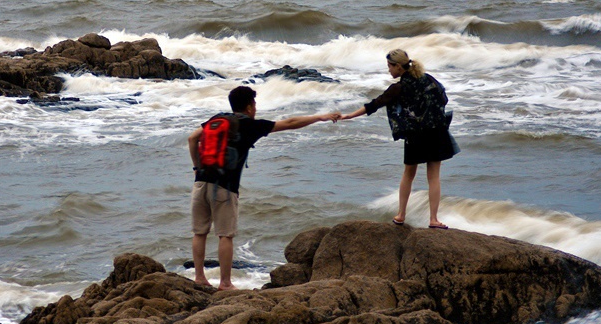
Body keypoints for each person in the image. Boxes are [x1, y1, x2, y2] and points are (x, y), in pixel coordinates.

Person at [188, 85, 340, 289]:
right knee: (225, 235)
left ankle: (199, 277)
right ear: (250, 106)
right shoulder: (249, 125)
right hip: (224, 186)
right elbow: (290, 123)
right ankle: (225, 283)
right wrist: (320, 117)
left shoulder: (217, 119)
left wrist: (197, 166)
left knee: (200, 232)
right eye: (255, 104)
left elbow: (193, 138)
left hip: (201, 181)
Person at [340, 49, 458, 229]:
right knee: (434, 177)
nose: (388, 70)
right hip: (437, 132)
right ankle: (433, 219)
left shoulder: (398, 88)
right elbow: (443, 98)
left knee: (409, 174)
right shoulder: (428, 79)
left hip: (416, 135)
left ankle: (401, 215)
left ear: (398, 67)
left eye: (389, 66)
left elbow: (375, 104)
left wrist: (349, 116)